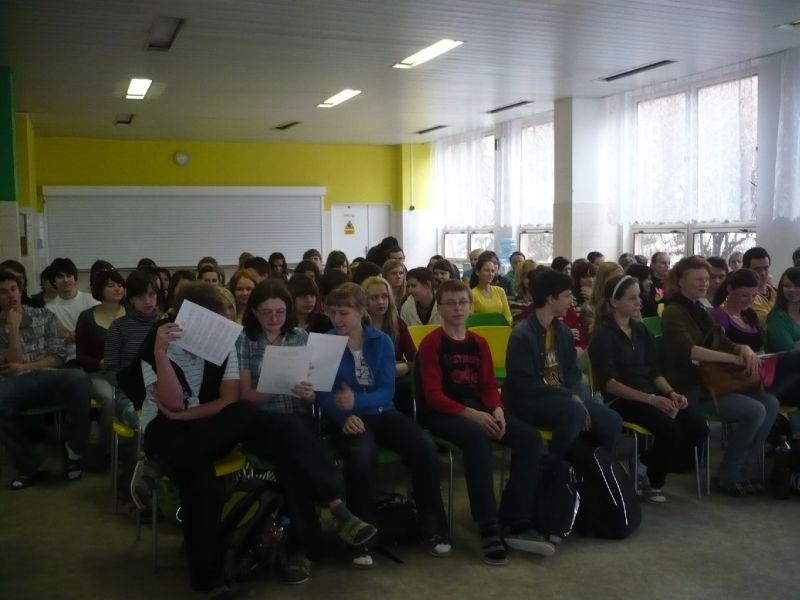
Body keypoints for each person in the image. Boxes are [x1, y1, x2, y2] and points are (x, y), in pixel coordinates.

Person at [138, 282, 376, 594]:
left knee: (275, 433)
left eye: (223, 320)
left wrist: (306, 392)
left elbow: (226, 402)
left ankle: (159, 465)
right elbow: (173, 404)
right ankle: (212, 582)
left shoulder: (231, 345)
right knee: (200, 478)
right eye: (213, 321)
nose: (219, 328)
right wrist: (160, 352)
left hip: (218, 426)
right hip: (173, 430)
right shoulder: (161, 343)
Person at [418, 279, 553, 563]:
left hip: (478, 408)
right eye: (450, 303)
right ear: (440, 308)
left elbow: (489, 386)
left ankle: (515, 514)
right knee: (477, 438)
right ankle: (488, 524)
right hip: (443, 413)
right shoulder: (431, 344)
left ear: (471, 306)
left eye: (462, 303)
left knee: (529, 438)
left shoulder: (479, 343)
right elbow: (433, 396)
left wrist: (498, 410)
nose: (457, 308)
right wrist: (474, 415)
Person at [320, 283, 450, 568]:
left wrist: (356, 400)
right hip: (348, 418)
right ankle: (360, 537)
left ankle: (432, 526)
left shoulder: (381, 341)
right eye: (332, 313)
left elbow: (386, 390)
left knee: (424, 448)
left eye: (344, 313)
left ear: (360, 312)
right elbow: (324, 393)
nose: (337, 319)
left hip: (383, 412)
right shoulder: (325, 344)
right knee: (361, 456)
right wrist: (343, 416)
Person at [660, 256, 778, 496]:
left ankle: (745, 471)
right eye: (698, 279)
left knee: (770, 402)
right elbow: (692, 351)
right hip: (691, 388)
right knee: (754, 410)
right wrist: (734, 359)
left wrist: (741, 348)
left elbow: (721, 340)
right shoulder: (673, 312)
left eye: (706, 279)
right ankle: (728, 475)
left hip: (713, 382)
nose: (705, 283)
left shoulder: (700, 309)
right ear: (681, 281)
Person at [588, 274, 709, 502]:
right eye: (631, 298)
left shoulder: (641, 331)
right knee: (670, 430)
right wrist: (651, 400)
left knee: (698, 426)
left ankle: (645, 462)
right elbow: (610, 385)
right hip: (622, 400)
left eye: (639, 296)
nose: (639, 302)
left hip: (650, 392)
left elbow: (654, 372)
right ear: (614, 302)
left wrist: (672, 393)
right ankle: (654, 480)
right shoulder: (602, 335)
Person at [502, 269, 622, 458]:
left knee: (612, 420)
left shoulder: (563, 332)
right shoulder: (522, 335)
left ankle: (595, 469)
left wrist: (576, 396)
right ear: (551, 299)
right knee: (574, 412)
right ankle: (556, 467)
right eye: (566, 296)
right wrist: (570, 397)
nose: (571, 301)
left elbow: (572, 373)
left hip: (563, 399)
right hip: (529, 402)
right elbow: (525, 385)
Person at [0, 270, 91, 489]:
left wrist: (25, 367)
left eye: (13, 289)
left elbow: (58, 357)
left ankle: (74, 453)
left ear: (20, 290)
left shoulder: (44, 315)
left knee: (79, 378)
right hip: (16, 385)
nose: (11, 295)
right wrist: (13, 328)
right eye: (3, 292)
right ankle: (30, 467)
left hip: (50, 378)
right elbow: (9, 366)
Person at [711, 268, 800, 407]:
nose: (750, 300)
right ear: (730, 289)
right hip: (740, 373)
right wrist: (743, 354)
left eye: (754, 296)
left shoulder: (749, 314)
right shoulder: (719, 316)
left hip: (761, 369)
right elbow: (715, 348)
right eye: (744, 295)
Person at [237, 280, 313, 417]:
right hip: (264, 417)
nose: (274, 318)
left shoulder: (299, 336)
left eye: (280, 312)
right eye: (266, 312)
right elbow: (245, 395)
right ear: (255, 312)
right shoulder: (245, 339)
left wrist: (308, 393)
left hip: (298, 415)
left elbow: (313, 397)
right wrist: (281, 385)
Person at [75, 268, 127, 462]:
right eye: (111, 285)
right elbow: (80, 356)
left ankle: (132, 447)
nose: (117, 289)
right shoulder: (87, 317)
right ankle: (107, 450)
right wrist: (100, 362)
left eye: (120, 285)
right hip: (98, 373)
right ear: (99, 290)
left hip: (126, 372)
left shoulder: (132, 313)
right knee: (108, 398)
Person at [104, 269, 161, 431]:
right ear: (131, 299)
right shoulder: (118, 327)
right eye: (141, 296)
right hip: (130, 388)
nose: (148, 301)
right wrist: (130, 391)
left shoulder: (165, 324)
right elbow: (110, 370)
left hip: (162, 388)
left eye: (151, 294)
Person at [361, 276, 416, 414]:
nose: (381, 302)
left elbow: (415, 359)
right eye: (374, 298)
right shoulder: (358, 325)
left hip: (395, 377)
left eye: (384, 296)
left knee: (408, 385)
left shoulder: (398, 323)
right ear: (364, 301)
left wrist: (405, 366)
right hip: (365, 380)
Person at [45, 257, 101, 363]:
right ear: (54, 281)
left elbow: (98, 332)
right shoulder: (49, 309)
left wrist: (69, 335)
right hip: (66, 360)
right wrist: (82, 333)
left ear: (75, 279)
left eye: (69, 275)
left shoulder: (92, 301)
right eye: (60, 276)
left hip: (93, 356)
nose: (65, 280)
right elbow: (53, 340)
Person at [470, 255, 512, 325]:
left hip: (501, 329)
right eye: (486, 270)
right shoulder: (472, 294)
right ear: (477, 272)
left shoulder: (500, 291)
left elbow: (508, 317)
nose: (490, 274)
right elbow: (471, 320)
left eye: (492, 271)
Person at [766, 267, 800, 353]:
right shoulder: (776, 318)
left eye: (797, 285)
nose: (792, 289)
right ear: (781, 288)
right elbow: (789, 351)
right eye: (787, 286)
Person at [742, 247, 776, 326]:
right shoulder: (743, 297)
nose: (763, 273)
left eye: (766, 268)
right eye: (757, 269)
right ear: (745, 269)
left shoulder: (777, 292)